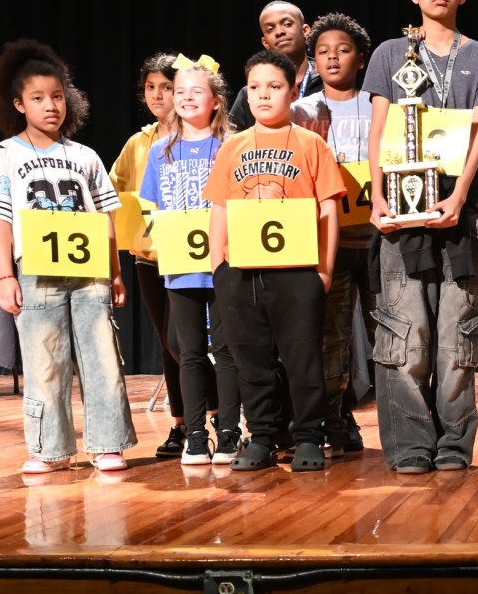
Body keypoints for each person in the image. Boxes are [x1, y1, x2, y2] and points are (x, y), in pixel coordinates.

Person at [363, 0, 478, 474]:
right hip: (401, 214)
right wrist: (378, 198)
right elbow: (379, 132)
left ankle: (453, 443)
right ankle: (408, 445)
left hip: (461, 211)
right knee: (404, 334)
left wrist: (460, 194)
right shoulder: (388, 54)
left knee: (457, 332)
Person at [0, 39, 137, 473]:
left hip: (89, 274)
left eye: (57, 97)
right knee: (43, 360)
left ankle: (108, 443)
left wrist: (116, 273)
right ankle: (50, 448)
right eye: (38, 98)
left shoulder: (84, 156)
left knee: (101, 356)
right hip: (35, 271)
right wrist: (6, 277)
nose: (50, 106)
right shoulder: (3, 155)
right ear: (19, 103)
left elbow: (104, 218)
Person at [203, 50, 344, 472]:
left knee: (303, 359)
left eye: (275, 86)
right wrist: (218, 268)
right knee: (251, 361)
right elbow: (220, 209)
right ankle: (262, 436)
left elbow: (328, 209)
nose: (264, 95)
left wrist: (324, 270)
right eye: (256, 87)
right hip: (242, 272)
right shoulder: (234, 146)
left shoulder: (311, 143)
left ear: (293, 90)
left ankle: (307, 437)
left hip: (298, 271)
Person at [138, 55, 242, 466]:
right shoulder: (160, 151)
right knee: (189, 350)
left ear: (216, 100)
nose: (184, 98)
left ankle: (231, 431)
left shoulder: (231, 146)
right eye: (179, 92)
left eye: (195, 91)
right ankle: (196, 434)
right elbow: (150, 209)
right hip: (180, 268)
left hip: (225, 264)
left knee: (229, 350)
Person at [292, 11, 374, 457]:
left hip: (378, 240)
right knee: (331, 339)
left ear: (360, 58)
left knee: (388, 336)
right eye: (322, 52)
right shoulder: (301, 112)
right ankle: (332, 419)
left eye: (342, 50)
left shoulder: (379, 103)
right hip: (329, 243)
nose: (332, 58)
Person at [109, 52, 190, 457]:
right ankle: (180, 426)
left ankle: (213, 418)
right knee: (166, 344)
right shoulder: (137, 142)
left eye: (167, 87)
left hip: (191, 255)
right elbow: (110, 191)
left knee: (187, 342)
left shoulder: (195, 135)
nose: (158, 95)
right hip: (148, 257)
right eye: (151, 87)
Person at [228, 0, 323, 132]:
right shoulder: (251, 93)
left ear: (306, 31)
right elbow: (232, 143)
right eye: (270, 29)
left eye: (287, 24)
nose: (279, 32)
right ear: (265, 42)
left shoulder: (328, 83)